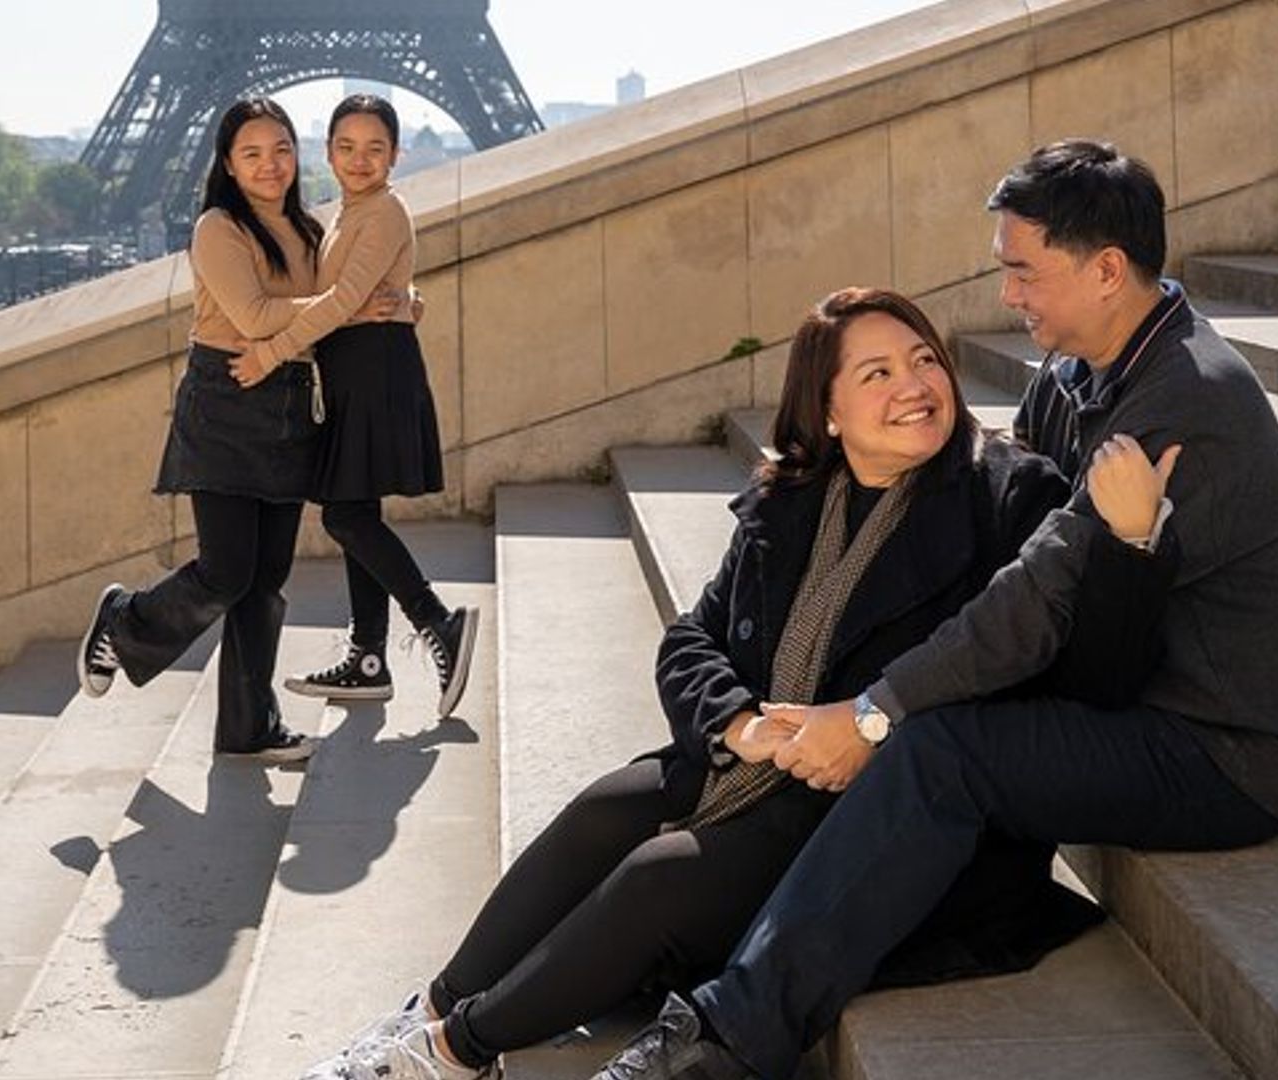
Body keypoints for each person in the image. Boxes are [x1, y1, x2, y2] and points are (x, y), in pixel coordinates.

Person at [593, 140, 1278, 1080]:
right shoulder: (1077, 376)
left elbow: (1037, 594)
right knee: (926, 719)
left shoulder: (1188, 400)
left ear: (1107, 270)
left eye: (1023, 270)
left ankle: (728, 1040)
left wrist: (869, 714)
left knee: (934, 749)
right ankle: (716, 962)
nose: (1009, 295)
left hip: (1224, 749)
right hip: (1124, 682)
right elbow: (1011, 532)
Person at [300, 287, 1176, 1080]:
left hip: (882, 810)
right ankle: (431, 1008)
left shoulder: (1008, 500)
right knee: (606, 807)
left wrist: (1130, 548)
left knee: (656, 876)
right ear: (828, 413)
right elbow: (692, 640)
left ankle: (453, 1054)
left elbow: (1093, 678)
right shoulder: (794, 499)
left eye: (922, 361)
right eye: (876, 372)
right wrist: (737, 726)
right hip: (764, 764)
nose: (914, 385)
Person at [75, 98, 332, 763]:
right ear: (227, 164)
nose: (270, 165)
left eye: (281, 149)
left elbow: (335, 309)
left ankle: (248, 727)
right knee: (226, 571)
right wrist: (342, 305)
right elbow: (251, 316)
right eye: (252, 153)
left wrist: (390, 298)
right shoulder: (218, 227)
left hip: (288, 403)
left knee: (266, 579)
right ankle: (124, 621)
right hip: (225, 401)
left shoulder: (308, 229)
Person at [234, 94, 477, 718]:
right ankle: (368, 660)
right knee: (355, 509)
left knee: (345, 516)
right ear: (328, 152)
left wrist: (269, 354)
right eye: (346, 147)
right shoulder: (344, 214)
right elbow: (361, 288)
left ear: (396, 155)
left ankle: (436, 622)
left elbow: (343, 301)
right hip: (355, 372)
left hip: (375, 372)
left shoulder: (384, 208)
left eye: (375, 148)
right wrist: (407, 295)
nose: (360, 160)